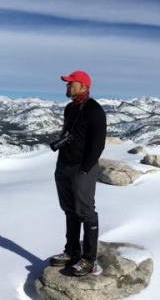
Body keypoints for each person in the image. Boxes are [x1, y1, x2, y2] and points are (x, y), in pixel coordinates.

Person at [49, 70, 107, 276]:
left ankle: (90, 259)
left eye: (70, 83)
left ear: (82, 85)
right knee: (69, 210)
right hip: (64, 166)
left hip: (82, 169)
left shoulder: (95, 110)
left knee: (86, 212)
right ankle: (72, 251)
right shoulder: (70, 108)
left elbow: (98, 143)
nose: (67, 86)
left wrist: (85, 168)